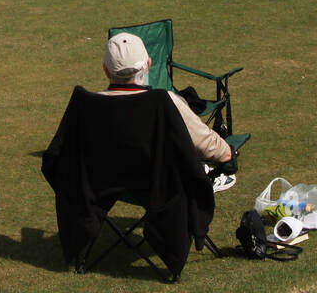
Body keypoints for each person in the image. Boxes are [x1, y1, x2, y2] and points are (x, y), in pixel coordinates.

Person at [99, 33, 235, 188]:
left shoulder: (89, 104)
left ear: (106, 70)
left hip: (108, 186)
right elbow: (215, 148)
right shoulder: (165, 102)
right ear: (148, 65)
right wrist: (229, 152)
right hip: (159, 188)